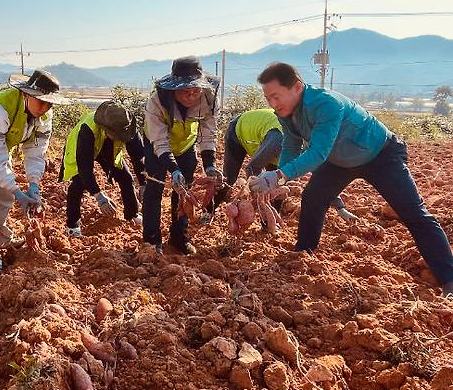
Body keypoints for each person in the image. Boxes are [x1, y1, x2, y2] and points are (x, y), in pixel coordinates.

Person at [250, 62, 453, 298]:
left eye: (276, 97)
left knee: (413, 213)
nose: (273, 104)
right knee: (314, 198)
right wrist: (280, 180)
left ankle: (449, 278)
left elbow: (318, 153)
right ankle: (303, 254)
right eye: (268, 99)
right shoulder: (286, 112)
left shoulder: (326, 104)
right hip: (340, 161)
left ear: (296, 87)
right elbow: (292, 144)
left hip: (380, 154)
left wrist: (278, 175)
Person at [0, 70, 70, 277]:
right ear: (26, 94)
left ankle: (1, 240)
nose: (44, 108)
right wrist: (19, 193)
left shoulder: (44, 116)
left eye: (49, 103)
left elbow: (36, 152)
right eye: (40, 101)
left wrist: (33, 185)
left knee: (4, 195)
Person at [208, 108, 357, 225]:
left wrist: (341, 208)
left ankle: (268, 225)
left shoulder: (314, 152)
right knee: (230, 178)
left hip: (267, 145)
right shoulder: (280, 140)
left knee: (278, 185)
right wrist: (256, 196)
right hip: (240, 132)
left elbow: (323, 180)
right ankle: (208, 212)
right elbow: (252, 168)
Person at [143, 56, 222, 255]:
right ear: (173, 88)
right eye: (186, 91)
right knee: (155, 189)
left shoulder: (209, 98)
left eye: (196, 90)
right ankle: (152, 241)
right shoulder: (156, 102)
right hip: (157, 148)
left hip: (186, 145)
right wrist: (173, 168)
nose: (191, 95)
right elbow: (159, 141)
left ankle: (179, 237)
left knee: (184, 192)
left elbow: (208, 133)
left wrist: (210, 164)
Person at [61, 100, 146, 237]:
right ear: (106, 128)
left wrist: (143, 183)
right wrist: (99, 196)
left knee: (125, 177)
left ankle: (132, 214)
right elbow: (85, 168)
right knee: (78, 184)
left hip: (107, 148)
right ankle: (73, 227)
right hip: (82, 148)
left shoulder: (128, 127)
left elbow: (139, 156)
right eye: (116, 134)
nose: (120, 138)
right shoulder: (87, 130)